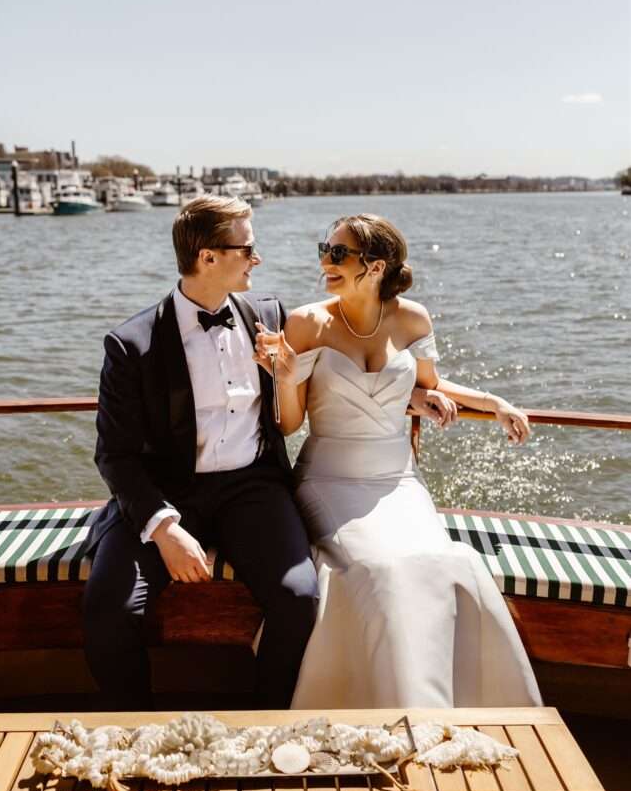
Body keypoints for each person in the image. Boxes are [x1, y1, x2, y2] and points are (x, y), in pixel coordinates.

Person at [255, 212, 542, 709]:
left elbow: (429, 385)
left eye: (339, 253)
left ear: (376, 266)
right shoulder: (306, 322)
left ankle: (469, 705)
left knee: (449, 560)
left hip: (398, 481)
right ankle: (393, 707)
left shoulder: (414, 318)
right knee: (379, 567)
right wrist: (283, 375)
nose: (326, 260)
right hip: (330, 478)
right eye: (325, 248)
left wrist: (492, 403)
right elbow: (287, 425)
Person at [82, 194, 320, 710]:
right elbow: (115, 456)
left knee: (299, 598)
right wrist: (164, 529)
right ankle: (137, 735)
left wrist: (420, 390)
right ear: (207, 257)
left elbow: (345, 348)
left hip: (251, 489)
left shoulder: (269, 315)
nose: (257, 258)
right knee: (107, 612)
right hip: (166, 492)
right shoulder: (131, 344)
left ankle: (266, 725)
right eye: (248, 248)